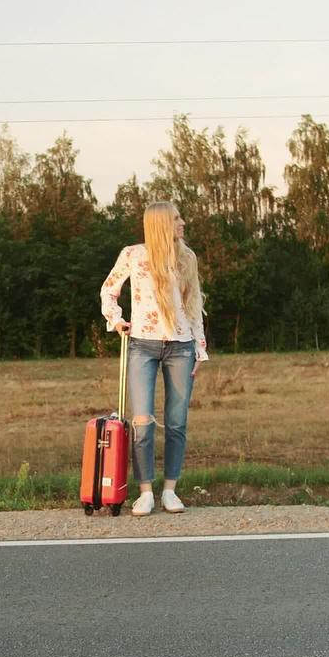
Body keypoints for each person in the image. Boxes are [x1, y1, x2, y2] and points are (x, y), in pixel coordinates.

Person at [98, 200, 208, 515]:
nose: (183, 222)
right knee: (142, 420)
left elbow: (194, 302)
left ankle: (170, 491)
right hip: (142, 345)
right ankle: (145, 491)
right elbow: (109, 290)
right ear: (161, 224)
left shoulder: (187, 257)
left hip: (181, 346)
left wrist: (199, 348)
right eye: (177, 218)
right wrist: (116, 319)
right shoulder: (132, 255)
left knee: (177, 422)